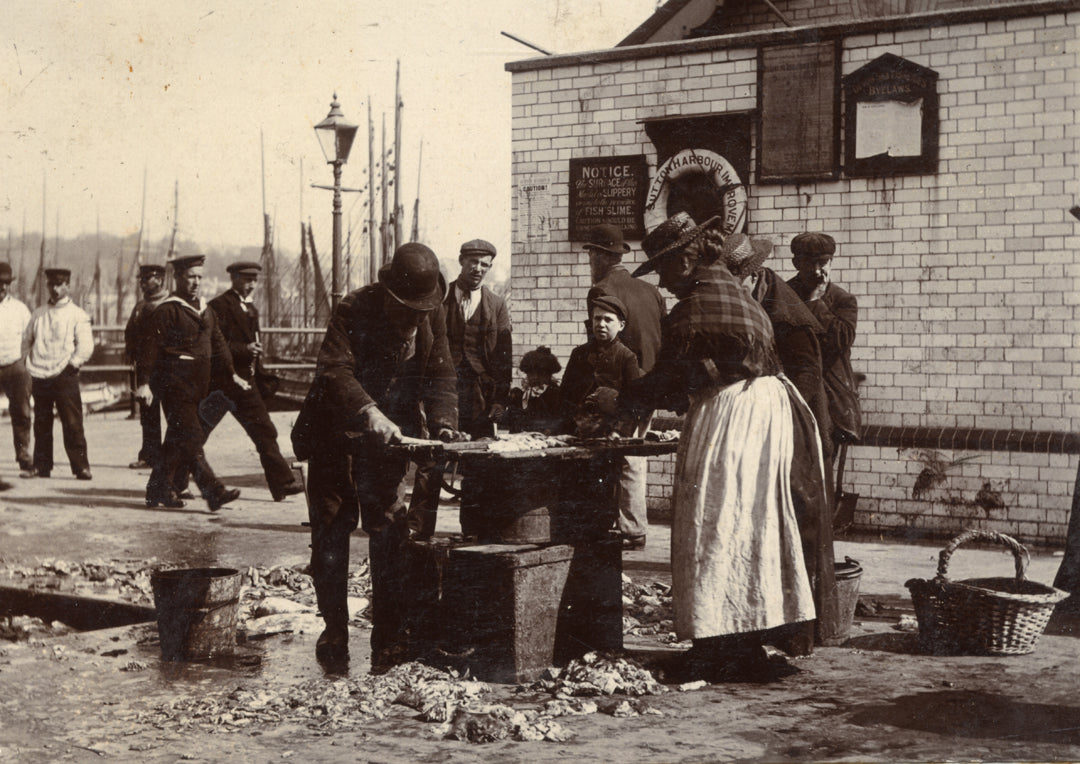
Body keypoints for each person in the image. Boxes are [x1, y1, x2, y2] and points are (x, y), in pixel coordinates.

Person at [618, 212, 824, 682]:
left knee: (712, 522)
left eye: (666, 269)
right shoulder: (725, 288)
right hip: (761, 411)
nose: (665, 282)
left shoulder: (698, 303)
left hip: (734, 414)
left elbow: (671, 382)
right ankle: (744, 641)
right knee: (749, 526)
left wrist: (621, 396)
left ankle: (715, 646)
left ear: (688, 258)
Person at [291, 242, 458, 668]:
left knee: (389, 533)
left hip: (386, 444)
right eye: (407, 311)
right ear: (388, 295)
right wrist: (370, 413)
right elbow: (334, 372)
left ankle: (389, 635)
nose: (415, 321)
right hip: (333, 433)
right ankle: (334, 631)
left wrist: (442, 424)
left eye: (422, 312)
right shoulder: (354, 309)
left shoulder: (432, 313)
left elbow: (440, 373)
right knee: (331, 534)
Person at [716, 231, 841, 650]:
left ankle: (801, 629)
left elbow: (807, 374)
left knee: (799, 516)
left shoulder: (787, 315)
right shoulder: (761, 297)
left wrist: (775, 411)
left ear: (753, 277)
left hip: (797, 424)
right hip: (770, 420)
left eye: (738, 284)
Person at [406, 238, 512, 539]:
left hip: (479, 395)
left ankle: (474, 531)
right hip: (440, 392)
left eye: (484, 265)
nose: (478, 269)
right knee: (432, 459)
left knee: (478, 464)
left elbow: (504, 358)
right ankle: (418, 528)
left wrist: (500, 399)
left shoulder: (496, 304)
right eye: (473, 263)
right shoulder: (439, 298)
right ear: (462, 261)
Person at [137, 255, 247, 511]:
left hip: (198, 386)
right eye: (190, 277)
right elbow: (149, 349)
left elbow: (218, 344)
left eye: (200, 277)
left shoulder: (205, 310)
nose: (196, 282)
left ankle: (157, 490)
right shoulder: (167, 310)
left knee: (177, 439)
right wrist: (144, 382)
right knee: (192, 435)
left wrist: (232, 373)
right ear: (177, 278)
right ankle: (213, 491)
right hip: (174, 385)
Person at [583, 224, 666, 550]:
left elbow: (599, 349)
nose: (590, 261)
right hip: (650, 383)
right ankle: (628, 525)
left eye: (591, 254)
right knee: (632, 450)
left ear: (601, 256)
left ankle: (630, 528)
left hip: (619, 388)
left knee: (622, 456)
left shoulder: (601, 289)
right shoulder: (650, 290)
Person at [202, 261, 303, 501]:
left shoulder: (251, 308)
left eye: (255, 280)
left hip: (246, 384)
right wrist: (244, 349)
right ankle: (171, 480)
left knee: (265, 430)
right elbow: (216, 345)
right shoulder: (219, 306)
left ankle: (282, 484)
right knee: (196, 433)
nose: (252, 285)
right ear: (234, 279)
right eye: (247, 280)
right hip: (224, 384)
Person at [787, 232, 861, 462]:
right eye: (811, 263)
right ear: (797, 263)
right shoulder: (782, 294)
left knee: (822, 460)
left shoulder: (843, 300)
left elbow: (842, 340)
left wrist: (815, 302)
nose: (819, 270)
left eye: (824, 262)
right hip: (792, 387)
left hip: (829, 395)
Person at [22, 268, 93, 480]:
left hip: (65, 373)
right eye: (51, 284)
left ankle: (81, 466)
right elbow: (26, 341)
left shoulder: (77, 314)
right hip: (40, 373)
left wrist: (73, 363)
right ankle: (42, 466)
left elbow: (86, 345)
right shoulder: (38, 314)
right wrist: (29, 362)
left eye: (59, 284)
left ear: (68, 285)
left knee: (72, 421)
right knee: (42, 421)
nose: (54, 288)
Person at [124, 264, 169, 470]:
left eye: (147, 279)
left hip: (168, 368)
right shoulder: (140, 307)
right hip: (145, 370)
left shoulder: (170, 304)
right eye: (141, 280)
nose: (142, 283)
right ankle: (149, 454)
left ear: (159, 280)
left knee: (174, 415)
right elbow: (130, 334)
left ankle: (175, 458)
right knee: (148, 414)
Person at [0, 262, 33, 475]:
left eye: (5, 284)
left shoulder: (20, 309)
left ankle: (23, 455)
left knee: (21, 412)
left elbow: (30, 337)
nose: (2, 288)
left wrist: (23, 362)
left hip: (15, 367)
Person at [506, 346, 563, 435]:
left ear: (549, 374)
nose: (535, 377)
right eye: (531, 373)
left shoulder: (556, 394)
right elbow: (511, 421)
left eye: (540, 374)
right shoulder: (520, 395)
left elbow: (560, 420)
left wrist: (550, 430)